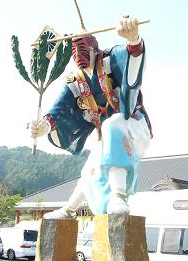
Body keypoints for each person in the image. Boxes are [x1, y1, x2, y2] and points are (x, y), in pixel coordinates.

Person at [30, 16, 152, 219]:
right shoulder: (75, 81)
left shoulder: (111, 60)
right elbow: (58, 110)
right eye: (74, 48)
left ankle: (118, 196)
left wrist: (133, 40)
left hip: (133, 124)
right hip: (108, 135)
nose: (78, 52)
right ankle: (69, 210)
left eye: (82, 45)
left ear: (94, 46)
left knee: (112, 125)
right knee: (90, 169)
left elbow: (133, 56)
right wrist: (44, 125)